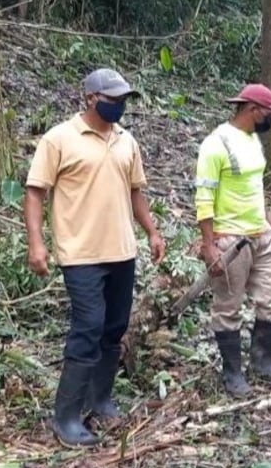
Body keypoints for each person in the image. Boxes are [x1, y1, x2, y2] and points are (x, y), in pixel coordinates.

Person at [24, 68, 166, 447]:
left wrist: (151, 231)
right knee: (88, 327)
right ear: (90, 98)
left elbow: (136, 192)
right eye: (113, 99)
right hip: (80, 252)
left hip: (122, 250)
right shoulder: (59, 139)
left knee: (113, 327)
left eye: (123, 100)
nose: (119, 106)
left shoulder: (126, 141)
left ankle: (100, 398)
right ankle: (66, 417)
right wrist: (36, 243)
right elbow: (36, 192)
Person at [194, 83, 271, 397]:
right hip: (230, 238)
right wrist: (209, 244)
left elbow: (255, 184)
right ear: (252, 109)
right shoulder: (216, 144)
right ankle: (233, 374)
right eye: (269, 113)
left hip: (260, 233)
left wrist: (267, 220)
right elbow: (204, 196)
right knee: (228, 306)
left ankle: (264, 363)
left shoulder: (253, 141)